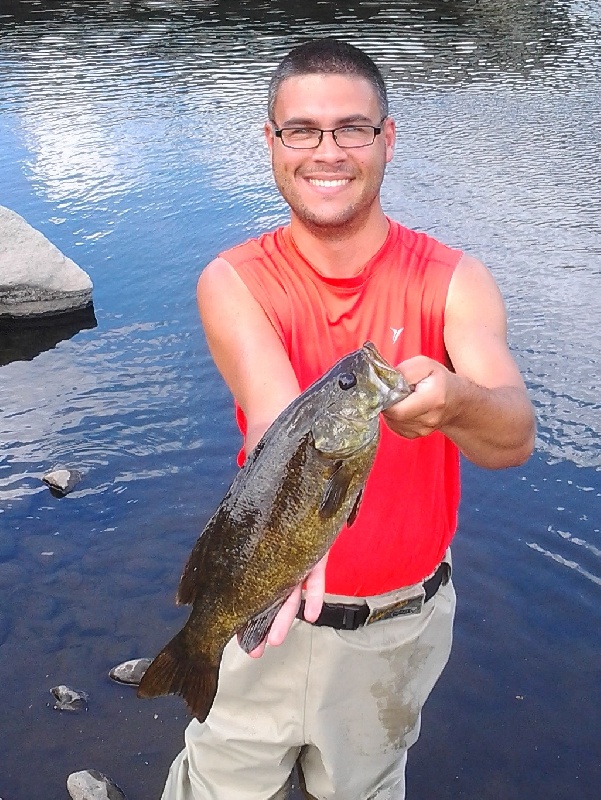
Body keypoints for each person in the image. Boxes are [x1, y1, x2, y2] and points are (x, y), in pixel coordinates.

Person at [160, 38, 535, 800]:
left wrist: (457, 400)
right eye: (300, 129)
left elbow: (513, 438)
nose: (325, 152)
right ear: (270, 142)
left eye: (350, 129)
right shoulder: (233, 279)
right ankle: (192, 658)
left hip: (394, 632)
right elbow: (274, 419)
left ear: (385, 138)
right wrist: (290, 555)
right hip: (263, 616)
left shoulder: (455, 280)